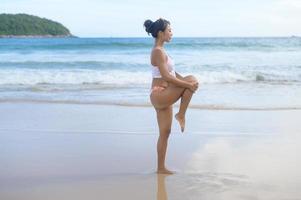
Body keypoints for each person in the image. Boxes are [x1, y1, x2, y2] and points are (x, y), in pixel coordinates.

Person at [143, 18, 199, 174]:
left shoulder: (161, 50)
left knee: (165, 133)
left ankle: (161, 168)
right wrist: (188, 85)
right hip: (159, 95)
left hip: (164, 93)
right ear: (161, 33)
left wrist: (186, 83)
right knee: (192, 80)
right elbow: (167, 77)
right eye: (169, 30)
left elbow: (172, 74)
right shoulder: (157, 51)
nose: (171, 33)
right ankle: (181, 114)